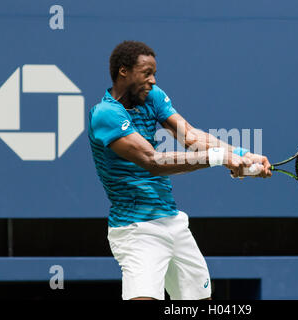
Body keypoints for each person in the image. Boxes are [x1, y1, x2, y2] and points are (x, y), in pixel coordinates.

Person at [88, 40, 272, 300]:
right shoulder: (106, 114)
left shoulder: (152, 97)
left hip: (173, 223)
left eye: (154, 73)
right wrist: (219, 158)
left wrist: (240, 154)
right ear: (123, 71)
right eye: (146, 73)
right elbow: (153, 161)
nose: (152, 80)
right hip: (137, 230)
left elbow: (191, 136)